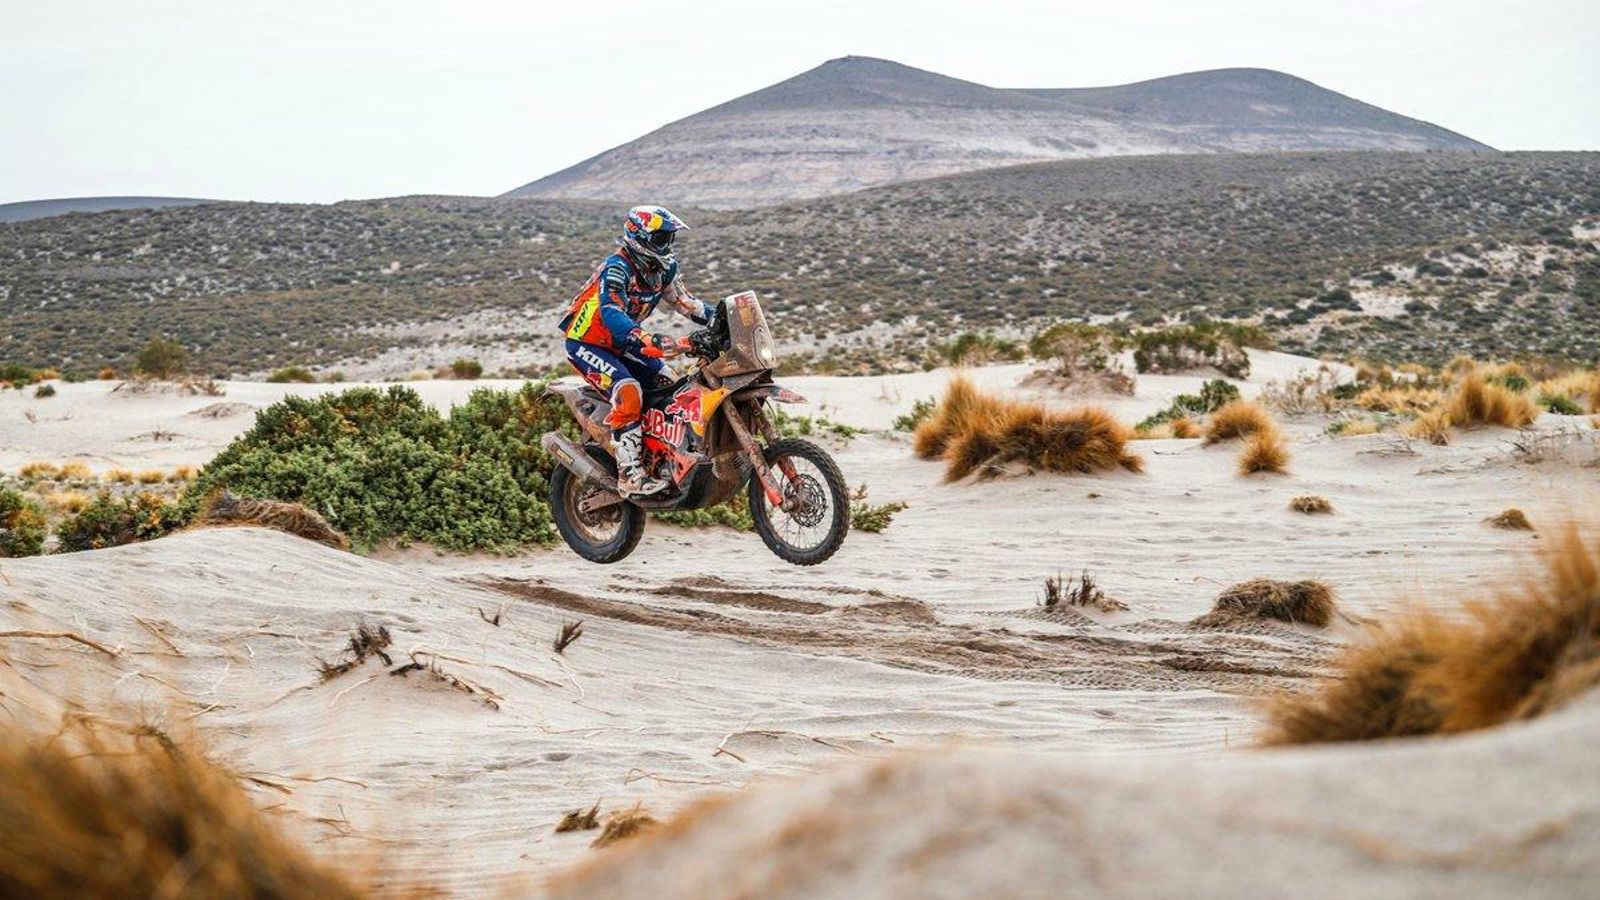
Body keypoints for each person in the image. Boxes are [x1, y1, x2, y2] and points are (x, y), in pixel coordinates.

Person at [559, 206, 713, 497]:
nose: (666, 245)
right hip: (587, 343)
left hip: (625, 343)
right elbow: (611, 311)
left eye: (669, 238)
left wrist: (722, 318)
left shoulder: (663, 269)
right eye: (661, 238)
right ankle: (630, 474)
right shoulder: (617, 267)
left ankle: (662, 458)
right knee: (629, 390)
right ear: (639, 237)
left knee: (672, 385)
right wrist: (643, 336)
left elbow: (686, 303)